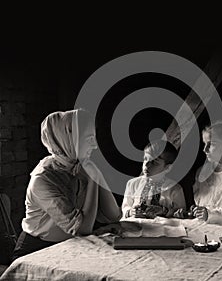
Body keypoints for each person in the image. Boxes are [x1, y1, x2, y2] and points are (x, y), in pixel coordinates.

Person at [12, 109, 123, 261]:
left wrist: (96, 173)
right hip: (36, 251)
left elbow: (113, 216)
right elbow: (83, 230)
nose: (95, 145)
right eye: (89, 139)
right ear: (70, 140)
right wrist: (92, 178)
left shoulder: (81, 167)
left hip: (69, 246)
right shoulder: (43, 179)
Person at [122, 139, 186, 219]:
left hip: (164, 228)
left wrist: (164, 211)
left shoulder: (175, 188)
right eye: (145, 159)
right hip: (137, 226)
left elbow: (181, 213)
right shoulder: (132, 184)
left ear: (167, 168)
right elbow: (125, 208)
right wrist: (130, 212)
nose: (146, 165)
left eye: (154, 162)